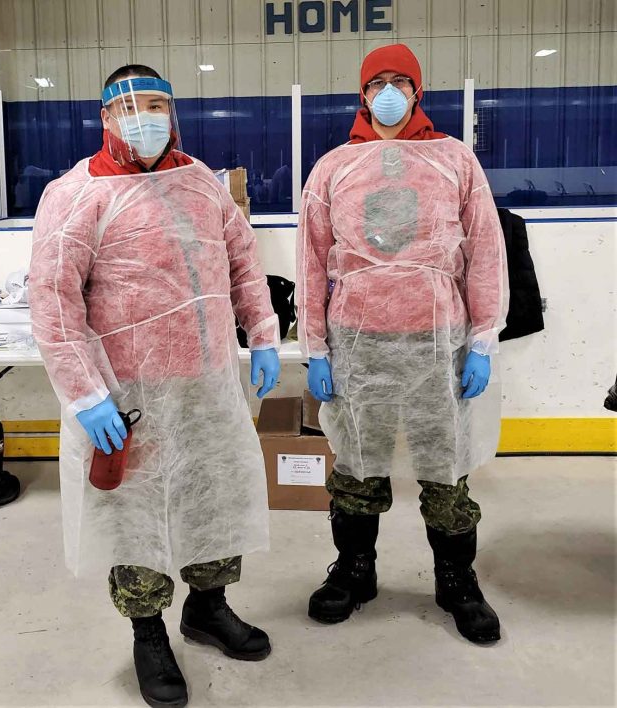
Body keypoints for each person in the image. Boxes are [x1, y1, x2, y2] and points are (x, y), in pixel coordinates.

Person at [29, 64, 281, 707]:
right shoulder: (76, 194)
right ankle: (148, 634)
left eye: (158, 104)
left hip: (207, 382)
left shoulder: (201, 182)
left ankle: (208, 608)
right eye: (129, 106)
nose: (145, 117)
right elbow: (54, 302)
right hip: (128, 392)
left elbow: (243, 261)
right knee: (135, 516)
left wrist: (262, 332)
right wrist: (84, 394)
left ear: (174, 111)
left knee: (213, 498)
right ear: (105, 116)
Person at [296, 44, 509, 645]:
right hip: (357, 344)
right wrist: (315, 348)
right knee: (357, 469)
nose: (388, 93)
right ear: (361, 95)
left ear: (418, 92)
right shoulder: (333, 166)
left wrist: (484, 340)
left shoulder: (454, 160)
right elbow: (310, 263)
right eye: (377, 83)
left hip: (438, 345)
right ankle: (354, 571)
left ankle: (456, 579)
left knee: (446, 472)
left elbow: (486, 254)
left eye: (400, 82)